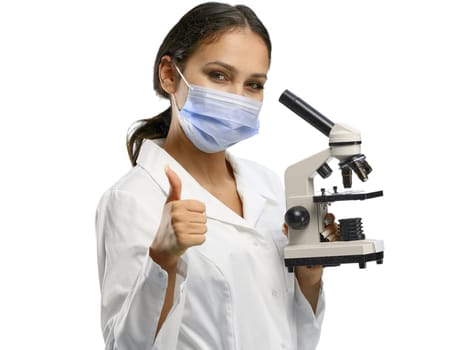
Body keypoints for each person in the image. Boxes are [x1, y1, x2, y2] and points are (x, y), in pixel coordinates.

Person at [95, 2, 338, 349]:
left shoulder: (267, 185)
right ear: (169, 74)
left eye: (253, 84)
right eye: (219, 75)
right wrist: (163, 259)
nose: (238, 97)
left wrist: (308, 276)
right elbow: (128, 345)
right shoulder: (132, 200)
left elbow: (294, 337)